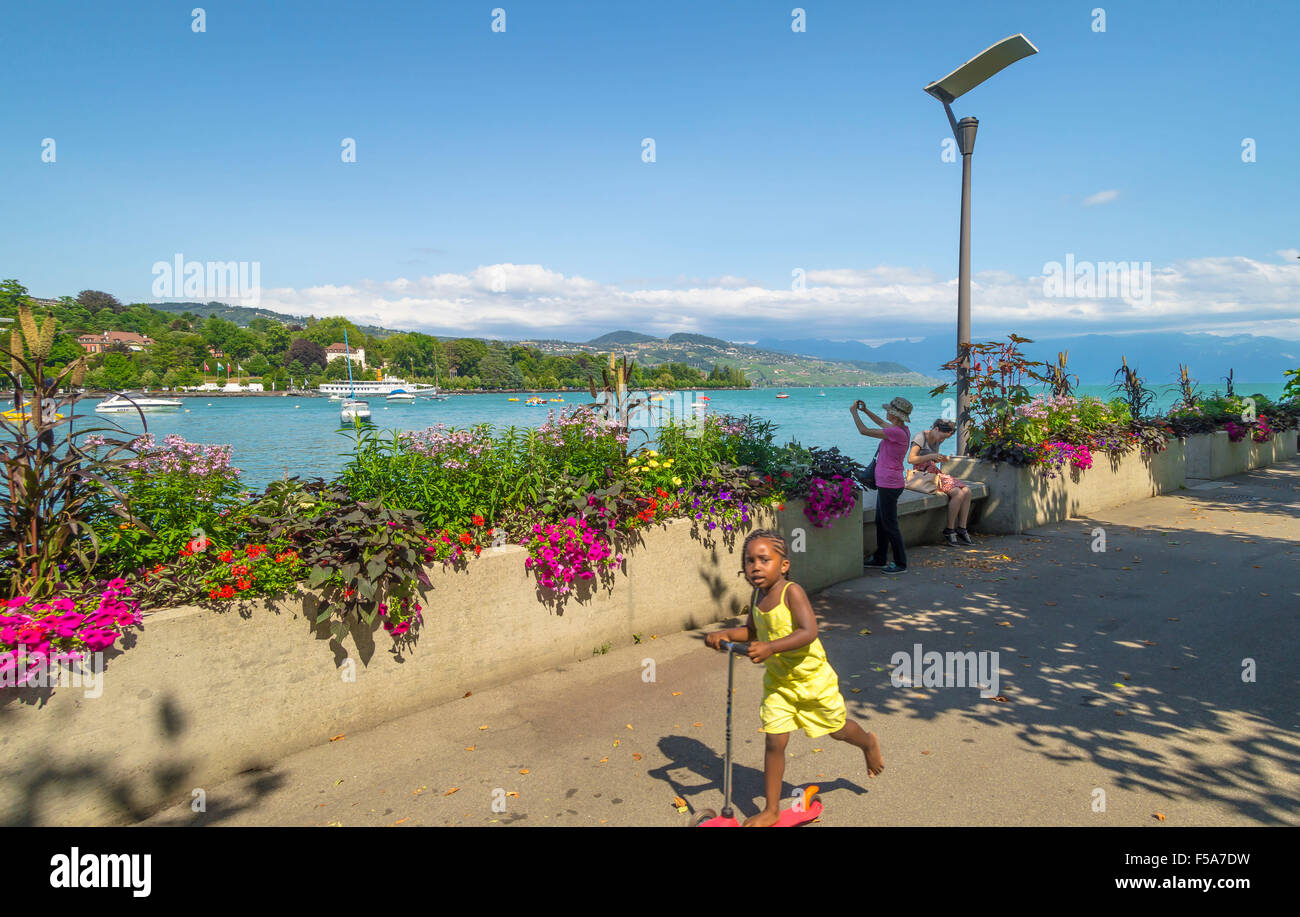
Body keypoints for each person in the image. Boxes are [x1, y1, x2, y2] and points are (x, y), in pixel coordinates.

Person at [705, 529, 884, 826]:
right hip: (780, 683)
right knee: (775, 742)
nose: (756, 567)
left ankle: (867, 743)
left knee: (837, 730)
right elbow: (752, 631)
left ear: (784, 565)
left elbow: (808, 631)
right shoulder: (756, 595)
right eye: (749, 561)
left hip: (813, 680)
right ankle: (772, 809)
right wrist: (725, 634)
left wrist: (771, 647)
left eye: (764, 559)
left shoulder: (792, 592)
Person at [851, 396, 911, 574]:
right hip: (889, 482)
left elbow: (863, 430)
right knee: (881, 520)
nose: (886, 413)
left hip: (890, 484)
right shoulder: (901, 429)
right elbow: (879, 421)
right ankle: (880, 558)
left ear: (894, 415)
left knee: (890, 523)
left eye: (889, 411)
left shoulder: (896, 432)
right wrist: (865, 410)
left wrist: (854, 413)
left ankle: (901, 563)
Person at [907, 418, 974, 546]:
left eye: (945, 439)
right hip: (923, 474)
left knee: (967, 491)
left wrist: (940, 458)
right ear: (936, 429)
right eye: (942, 437)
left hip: (933, 471)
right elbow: (911, 459)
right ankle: (949, 530)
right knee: (958, 494)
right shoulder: (921, 437)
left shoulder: (937, 438)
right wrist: (931, 457)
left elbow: (933, 458)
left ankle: (962, 528)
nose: (942, 440)